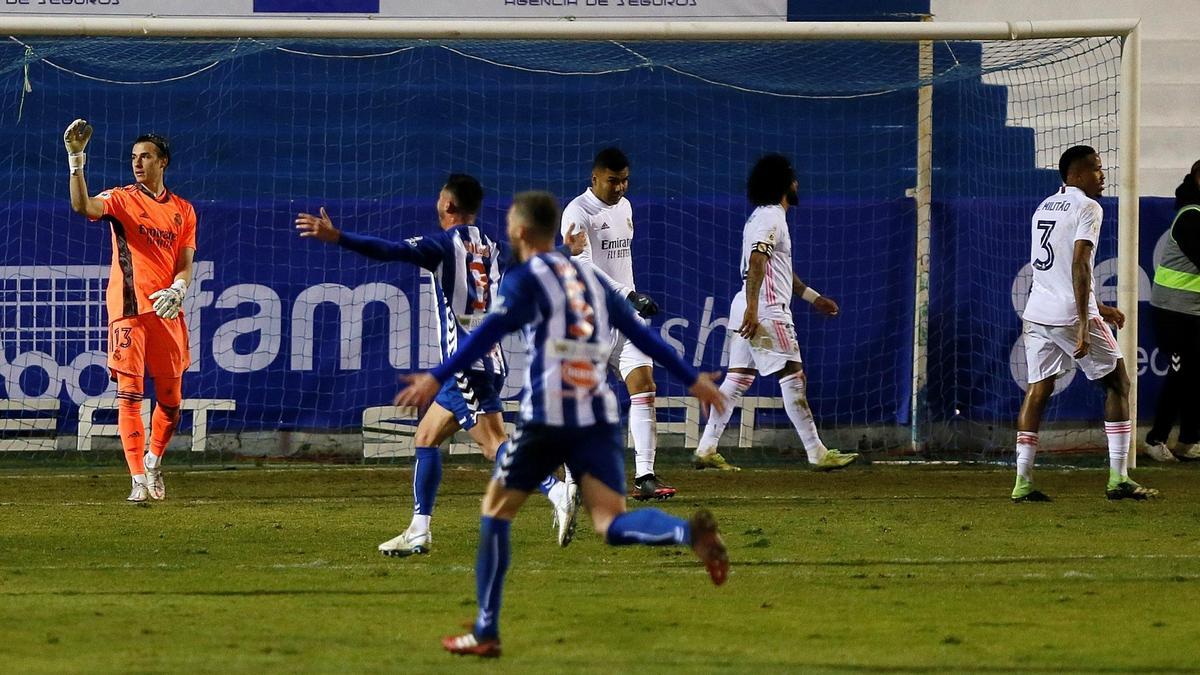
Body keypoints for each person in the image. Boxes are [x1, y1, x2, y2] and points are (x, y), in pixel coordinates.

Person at [395, 191, 730, 658]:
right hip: (596, 419)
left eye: (513, 223)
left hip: (548, 417)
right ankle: (686, 534)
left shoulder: (525, 280)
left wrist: (435, 376)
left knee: (495, 513)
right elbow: (643, 338)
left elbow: (486, 334)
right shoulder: (594, 280)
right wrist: (695, 380)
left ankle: (487, 629)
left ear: (523, 231)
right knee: (611, 523)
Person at [296, 174, 582, 555]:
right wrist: (564, 250)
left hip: (466, 366)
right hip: (490, 360)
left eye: (439, 198)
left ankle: (557, 490)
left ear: (448, 205)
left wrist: (339, 237)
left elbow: (390, 250)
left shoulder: (445, 245)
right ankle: (419, 529)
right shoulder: (492, 247)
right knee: (426, 437)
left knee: (493, 444)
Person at [693, 154, 858, 472]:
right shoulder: (771, 218)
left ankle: (706, 448)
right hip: (766, 310)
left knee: (737, 380)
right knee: (794, 376)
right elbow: (757, 261)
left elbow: (778, 269)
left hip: (749, 304)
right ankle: (816, 452)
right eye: (793, 179)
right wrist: (755, 311)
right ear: (783, 184)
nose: (797, 184)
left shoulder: (760, 217)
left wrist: (813, 298)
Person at [1013, 145, 1158, 501]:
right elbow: (1079, 264)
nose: (1102, 175)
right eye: (1095, 169)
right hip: (1068, 315)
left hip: (1038, 312)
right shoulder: (1088, 207)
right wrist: (1084, 321)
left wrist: (1099, 307)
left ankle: (1022, 481)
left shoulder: (1045, 205)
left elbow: (1058, 269)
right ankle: (1118, 479)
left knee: (1038, 390)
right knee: (1119, 383)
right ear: (1075, 175)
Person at [65, 120, 195, 503]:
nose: (138, 164)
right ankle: (138, 477)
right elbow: (82, 206)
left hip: (167, 312)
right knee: (129, 396)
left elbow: (186, 261)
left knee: (171, 403)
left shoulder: (184, 211)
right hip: (128, 311)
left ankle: (154, 460)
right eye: (134, 158)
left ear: (163, 162)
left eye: (146, 157)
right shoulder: (121, 199)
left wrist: (179, 286)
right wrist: (76, 161)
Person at [561, 147, 673, 500]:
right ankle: (572, 480)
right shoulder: (577, 212)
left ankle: (645, 476)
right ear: (594, 178)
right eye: (613, 181)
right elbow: (584, 268)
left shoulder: (625, 207)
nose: (621, 187)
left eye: (625, 180)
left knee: (644, 387)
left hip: (627, 320)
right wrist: (628, 294)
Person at [1144, 160, 1200, 462]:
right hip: (1173, 312)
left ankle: (1189, 441)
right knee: (1180, 375)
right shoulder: (1191, 216)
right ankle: (1155, 439)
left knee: (1194, 375)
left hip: (1193, 310)